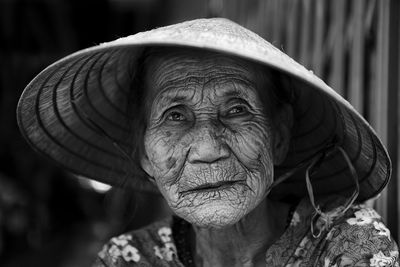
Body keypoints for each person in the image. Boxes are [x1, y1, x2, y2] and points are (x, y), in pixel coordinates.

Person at [17, 18, 398, 266]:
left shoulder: (342, 242)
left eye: (236, 110)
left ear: (278, 138)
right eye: (175, 116)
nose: (208, 149)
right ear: (145, 156)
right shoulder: (128, 260)